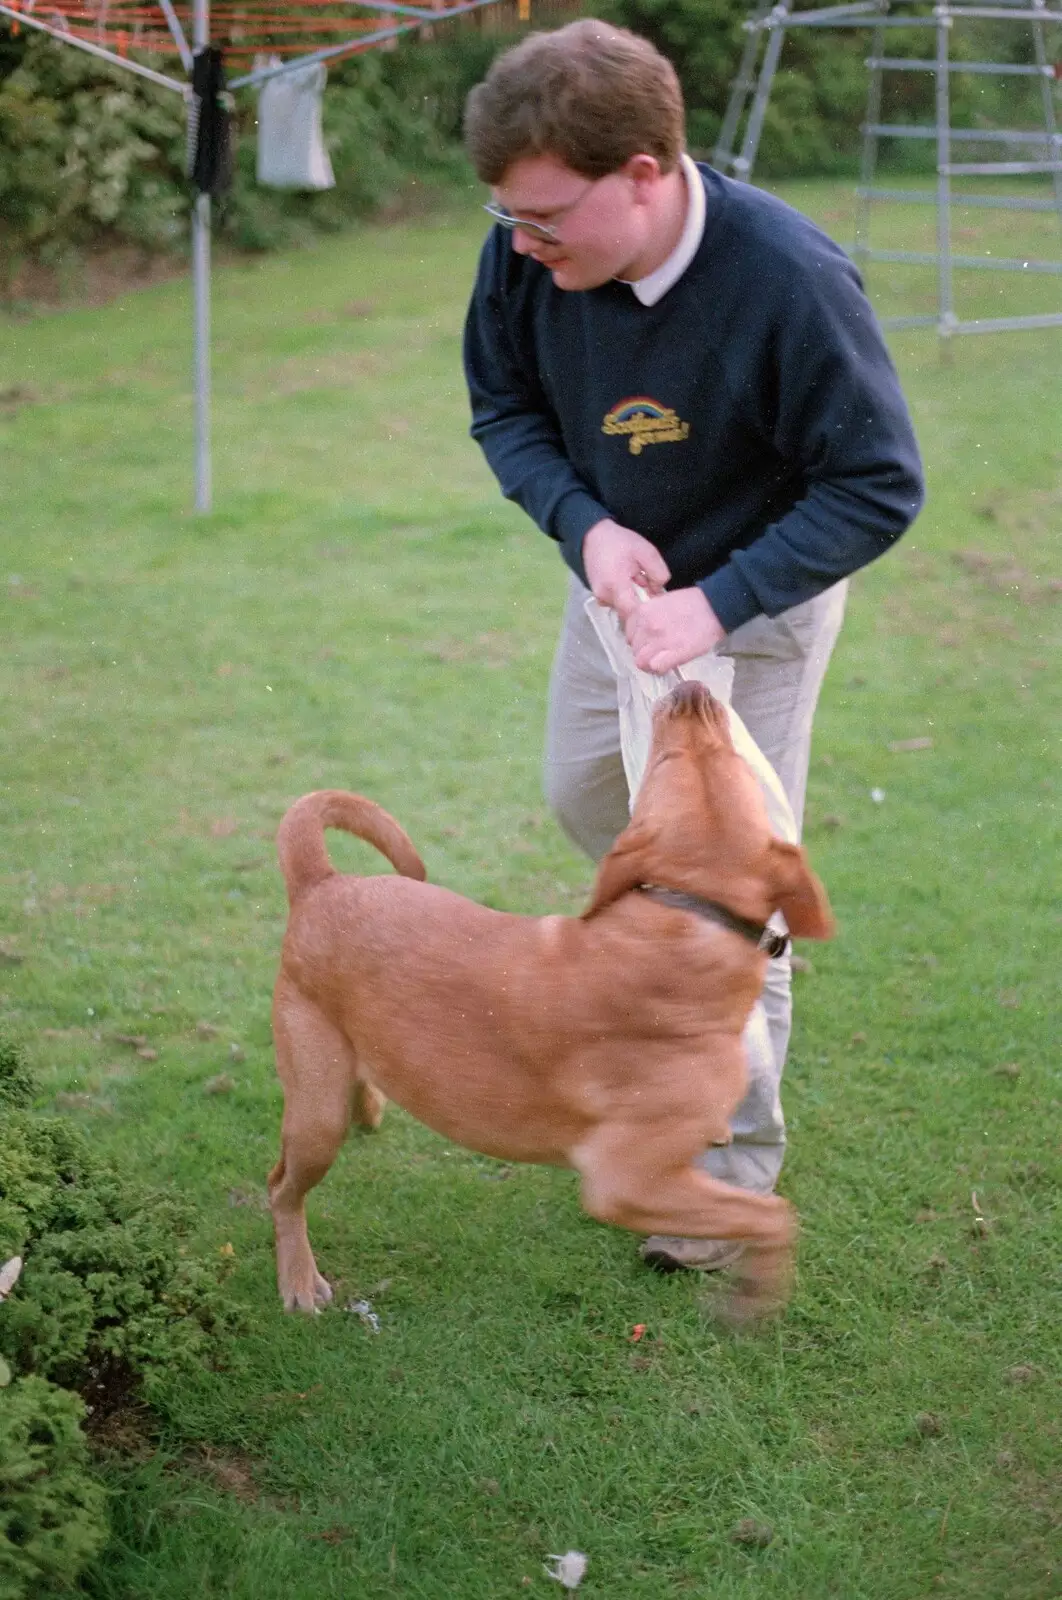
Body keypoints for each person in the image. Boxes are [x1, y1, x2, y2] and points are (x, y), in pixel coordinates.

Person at [461, 19, 924, 1272]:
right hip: (620, 588)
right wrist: (585, 525)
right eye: (510, 218)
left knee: (730, 895)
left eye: (548, 216)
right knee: (587, 800)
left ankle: (718, 1179)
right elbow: (501, 404)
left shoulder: (790, 279)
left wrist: (718, 605)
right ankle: (648, 1011)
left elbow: (878, 484)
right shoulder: (527, 253)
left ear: (647, 175)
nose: (524, 242)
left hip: (758, 609)